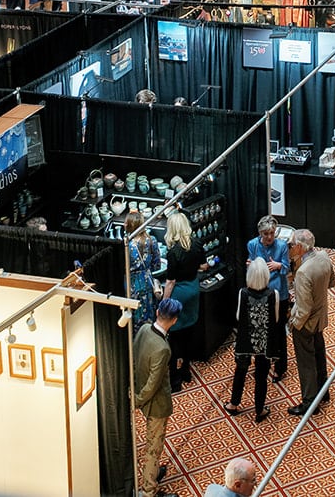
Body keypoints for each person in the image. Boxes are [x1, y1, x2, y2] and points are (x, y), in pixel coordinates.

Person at [223, 258, 282, 423]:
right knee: (261, 377)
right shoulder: (273, 294)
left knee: (240, 371)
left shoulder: (243, 293)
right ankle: (259, 409)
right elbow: (275, 318)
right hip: (264, 342)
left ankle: (234, 403)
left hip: (245, 340)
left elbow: (237, 316)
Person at [133, 298, 180, 497]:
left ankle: (151, 477)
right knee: (154, 447)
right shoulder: (163, 348)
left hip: (138, 390)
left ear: (158, 311)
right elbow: (154, 384)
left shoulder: (144, 329)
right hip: (156, 404)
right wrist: (139, 400)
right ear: (175, 320)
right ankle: (149, 490)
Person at [286, 228, 335, 415]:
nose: (290, 248)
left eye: (291, 245)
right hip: (321, 316)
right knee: (319, 355)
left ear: (299, 247)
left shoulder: (303, 272)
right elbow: (331, 282)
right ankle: (324, 392)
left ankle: (309, 403)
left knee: (306, 363)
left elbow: (304, 309)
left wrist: (294, 324)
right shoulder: (323, 257)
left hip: (306, 323)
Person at [161, 210, 205, 392]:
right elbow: (203, 265)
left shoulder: (173, 252)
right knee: (188, 334)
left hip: (179, 293)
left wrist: (164, 302)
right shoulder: (196, 244)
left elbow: (170, 281)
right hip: (194, 290)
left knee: (173, 338)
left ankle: (175, 380)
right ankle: (186, 370)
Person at [246, 216, 292, 381]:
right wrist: (251, 266)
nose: (270, 237)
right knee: (262, 329)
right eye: (266, 234)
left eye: (272, 233)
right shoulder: (253, 245)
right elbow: (252, 265)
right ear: (260, 234)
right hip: (260, 293)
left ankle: (281, 367)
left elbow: (287, 268)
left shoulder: (282, 246)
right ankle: (263, 362)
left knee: (279, 331)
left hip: (279, 294)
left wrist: (279, 266)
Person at [126, 211, 162, 327]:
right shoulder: (152, 240)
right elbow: (157, 265)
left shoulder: (127, 245)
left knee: (133, 318)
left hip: (131, 284)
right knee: (149, 318)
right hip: (147, 281)